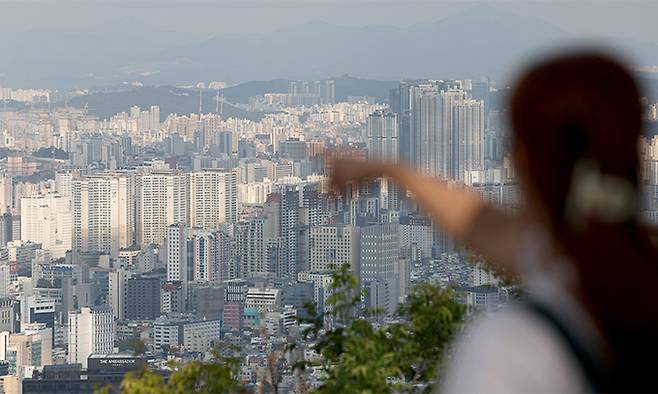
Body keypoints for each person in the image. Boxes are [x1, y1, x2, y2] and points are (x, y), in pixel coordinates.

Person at [330, 52, 658, 393]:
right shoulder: (628, 268)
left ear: (523, 162)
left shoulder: (512, 349)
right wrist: (390, 171)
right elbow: (485, 225)